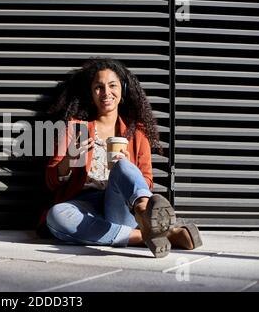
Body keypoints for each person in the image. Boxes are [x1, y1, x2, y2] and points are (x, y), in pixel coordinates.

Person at [38, 57, 202, 258]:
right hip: (83, 206)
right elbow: (51, 182)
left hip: (122, 206)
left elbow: (147, 181)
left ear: (122, 89)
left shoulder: (137, 133)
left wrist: (128, 166)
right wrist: (69, 161)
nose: (106, 93)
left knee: (124, 167)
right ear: (91, 93)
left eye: (112, 85)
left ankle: (143, 213)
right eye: (99, 87)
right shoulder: (76, 128)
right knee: (57, 216)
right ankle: (153, 234)